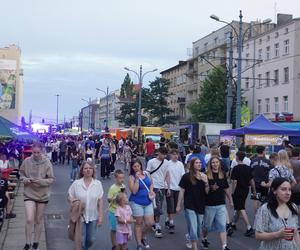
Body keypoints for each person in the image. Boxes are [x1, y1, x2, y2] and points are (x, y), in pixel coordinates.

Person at [20, 142, 55, 250]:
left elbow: (51, 179)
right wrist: (25, 179)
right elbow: (21, 174)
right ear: (31, 151)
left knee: (38, 219)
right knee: (30, 219)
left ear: (42, 151)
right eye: (34, 152)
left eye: (38, 152)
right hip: (29, 192)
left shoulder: (47, 162)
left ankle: (36, 242)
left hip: (42, 194)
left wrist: (40, 181)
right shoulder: (26, 161)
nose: (36, 154)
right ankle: (27, 242)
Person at [254, 177, 300, 249]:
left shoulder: (293, 207)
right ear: (274, 191)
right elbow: (258, 235)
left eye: (289, 189)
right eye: (283, 189)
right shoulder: (265, 209)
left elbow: (295, 232)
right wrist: (277, 234)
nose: (288, 193)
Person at [68, 161, 104, 250]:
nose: (88, 170)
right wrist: (73, 201)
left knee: (91, 239)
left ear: (93, 171)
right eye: (86, 168)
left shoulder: (97, 184)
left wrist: (100, 216)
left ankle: (85, 247)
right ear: (82, 171)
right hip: (80, 216)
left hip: (93, 216)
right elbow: (69, 196)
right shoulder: (76, 183)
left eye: (90, 168)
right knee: (80, 240)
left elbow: (100, 200)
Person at [176, 158, 209, 250]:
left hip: (201, 204)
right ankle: (195, 247)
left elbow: (207, 192)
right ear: (192, 165)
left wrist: (206, 183)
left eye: (200, 163)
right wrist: (178, 205)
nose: (199, 164)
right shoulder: (186, 176)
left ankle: (190, 236)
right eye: (196, 163)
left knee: (198, 229)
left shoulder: (204, 176)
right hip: (189, 205)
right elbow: (182, 191)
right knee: (194, 229)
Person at [202, 157, 233, 250]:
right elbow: (204, 192)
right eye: (213, 163)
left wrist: (230, 200)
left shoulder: (222, 174)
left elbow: (226, 188)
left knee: (222, 226)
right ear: (210, 164)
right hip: (209, 205)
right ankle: (204, 238)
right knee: (207, 226)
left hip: (221, 204)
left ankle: (224, 246)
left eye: (217, 162)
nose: (215, 164)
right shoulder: (206, 175)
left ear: (219, 163)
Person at [128, 159, 155, 250]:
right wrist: (137, 179)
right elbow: (134, 191)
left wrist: (151, 191)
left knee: (150, 223)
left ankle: (142, 236)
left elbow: (151, 184)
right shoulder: (131, 177)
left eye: (138, 166)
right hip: (136, 202)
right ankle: (139, 244)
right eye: (134, 166)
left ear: (141, 166)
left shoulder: (146, 174)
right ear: (132, 168)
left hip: (148, 201)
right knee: (138, 223)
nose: (136, 168)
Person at [230, 151, 256, 237]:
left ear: (237, 157)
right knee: (238, 207)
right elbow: (251, 180)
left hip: (238, 190)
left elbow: (234, 181)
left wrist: (232, 192)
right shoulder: (248, 168)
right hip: (246, 190)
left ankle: (249, 227)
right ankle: (233, 223)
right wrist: (254, 190)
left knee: (241, 207)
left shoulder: (235, 168)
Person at [146, 146, 170, 238]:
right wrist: (150, 187)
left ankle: (154, 223)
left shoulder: (167, 162)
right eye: (162, 154)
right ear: (158, 152)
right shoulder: (151, 162)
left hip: (162, 186)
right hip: (154, 186)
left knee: (158, 205)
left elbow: (167, 174)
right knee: (157, 206)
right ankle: (157, 225)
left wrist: (168, 187)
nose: (163, 156)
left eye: (165, 154)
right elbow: (148, 173)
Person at [165, 149, 185, 233]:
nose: (175, 156)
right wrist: (167, 187)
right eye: (173, 154)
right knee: (171, 205)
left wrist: (184, 188)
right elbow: (165, 175)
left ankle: (167, 219)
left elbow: (183, 176)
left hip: (178, 188)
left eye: (176, 154)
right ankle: (171, 223)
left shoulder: (180, 164)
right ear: (170, 155)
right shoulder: (167, 164)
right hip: (169, 188)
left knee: (175, 208)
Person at [108, 170, 126, 250]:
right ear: (115, 178)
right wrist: (116, 197)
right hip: (113, 211)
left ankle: (122, 246)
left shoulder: (123, 186)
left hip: (122, 211)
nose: (122, 179)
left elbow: (125, 197)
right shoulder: (112, 188)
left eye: (123, 178)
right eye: (120, 178)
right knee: (114, 229)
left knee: (122, 229)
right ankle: (114, 245)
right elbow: (108, 200)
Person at [250, 145, 272, 211]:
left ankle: (256, 215)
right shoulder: (268, 161)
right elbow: (271, 172)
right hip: (265, 183)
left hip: (255, 183)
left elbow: (250, 172)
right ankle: (260, 214)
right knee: (263, 201)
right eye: (265, 150)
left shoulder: (253, 161)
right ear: (263, 151)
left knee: (255, 200)